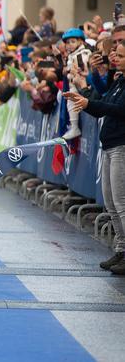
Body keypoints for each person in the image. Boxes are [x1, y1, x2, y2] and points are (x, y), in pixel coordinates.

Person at [64, 41, 125, 274]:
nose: (114, 58)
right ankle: (121, 249)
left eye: (120, 55)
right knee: (111, 203)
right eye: (116, 54)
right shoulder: (119, 80)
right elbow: (104, 104)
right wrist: (84, 98)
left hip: (121, 145)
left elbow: (119, 111)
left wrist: (88, 101)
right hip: (109, 144)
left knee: (121, 203)